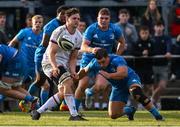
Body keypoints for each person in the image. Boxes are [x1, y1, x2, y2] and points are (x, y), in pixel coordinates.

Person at [30, 8, 87, 121]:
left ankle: (37, 112)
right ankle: (74, 115)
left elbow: (73, 58)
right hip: (50, 62)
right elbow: (51, 52)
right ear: (67, 19)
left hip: (63, 64)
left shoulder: (79, 37)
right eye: (74, 18)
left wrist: (73, 71)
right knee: (68, 83)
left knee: (63, 92)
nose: (77, 21)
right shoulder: (59, 31)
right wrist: (55, 67)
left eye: (78, 19)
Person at [78, 48, 164, 121]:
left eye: (103, 62)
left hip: (130, 79)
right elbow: (84, 71)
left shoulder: (117, 59)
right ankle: (129, 110)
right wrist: (76, 77)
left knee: (136, 93)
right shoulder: (95, 63)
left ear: (107, 57)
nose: (101, 65)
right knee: (113, 115)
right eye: (99, 63)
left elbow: (124, 73)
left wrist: (109, 75)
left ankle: (158, 116)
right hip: (118, 87)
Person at [75, 8, 125, 110]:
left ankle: (89, 93)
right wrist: (91, 49)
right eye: (101, 18)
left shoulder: (115, 29)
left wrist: (116, 56)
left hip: (104, 61)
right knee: (82, 84)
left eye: (106, 18)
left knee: (101, 86)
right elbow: (83, 47)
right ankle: (74, 111)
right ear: (97, 18)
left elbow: (122, 43)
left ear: (109, 19)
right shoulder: (91, 29)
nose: (103, 20)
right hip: (89, 59)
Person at [28, 6, 68, 106]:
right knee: (42, 82)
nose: (64, 16)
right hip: (42, 55)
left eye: (66, 14)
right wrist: (62, 44)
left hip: (53, 56)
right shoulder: (52, 25)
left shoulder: (65, 25)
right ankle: (26, 99)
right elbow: (46, 43)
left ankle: (42, 106)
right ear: (57, 14)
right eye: (62, 13)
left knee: (46, 84)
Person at [9, 15, 44, 89]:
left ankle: (29, 99)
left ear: (42, 24)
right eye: (36, 22)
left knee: (43, 85)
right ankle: (23, 99)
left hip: (36, 65)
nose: (37, 24)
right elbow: (13, 42)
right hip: (24, 63)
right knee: (19, 85)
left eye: (40, 22)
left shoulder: (44, 35)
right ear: (32, 23)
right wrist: (8, 54)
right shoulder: (25, 32)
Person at [0, 44, 38, 112]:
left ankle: (31, 99)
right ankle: (35, 106)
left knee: (3, 89)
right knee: (15, 87)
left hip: (14, 62)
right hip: (20, 60)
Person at [151, 21, 172, 109]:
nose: (159, 28)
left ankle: (151, 100)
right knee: (154, 86)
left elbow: (169, 46)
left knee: (162, 86)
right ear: (154, 28)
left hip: (164, 66)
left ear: (163, 27)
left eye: (160, 26)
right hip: (153, 65)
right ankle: (157, 103)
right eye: (157, 26)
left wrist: (168, 52)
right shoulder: (151, 38)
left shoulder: (166, 38)